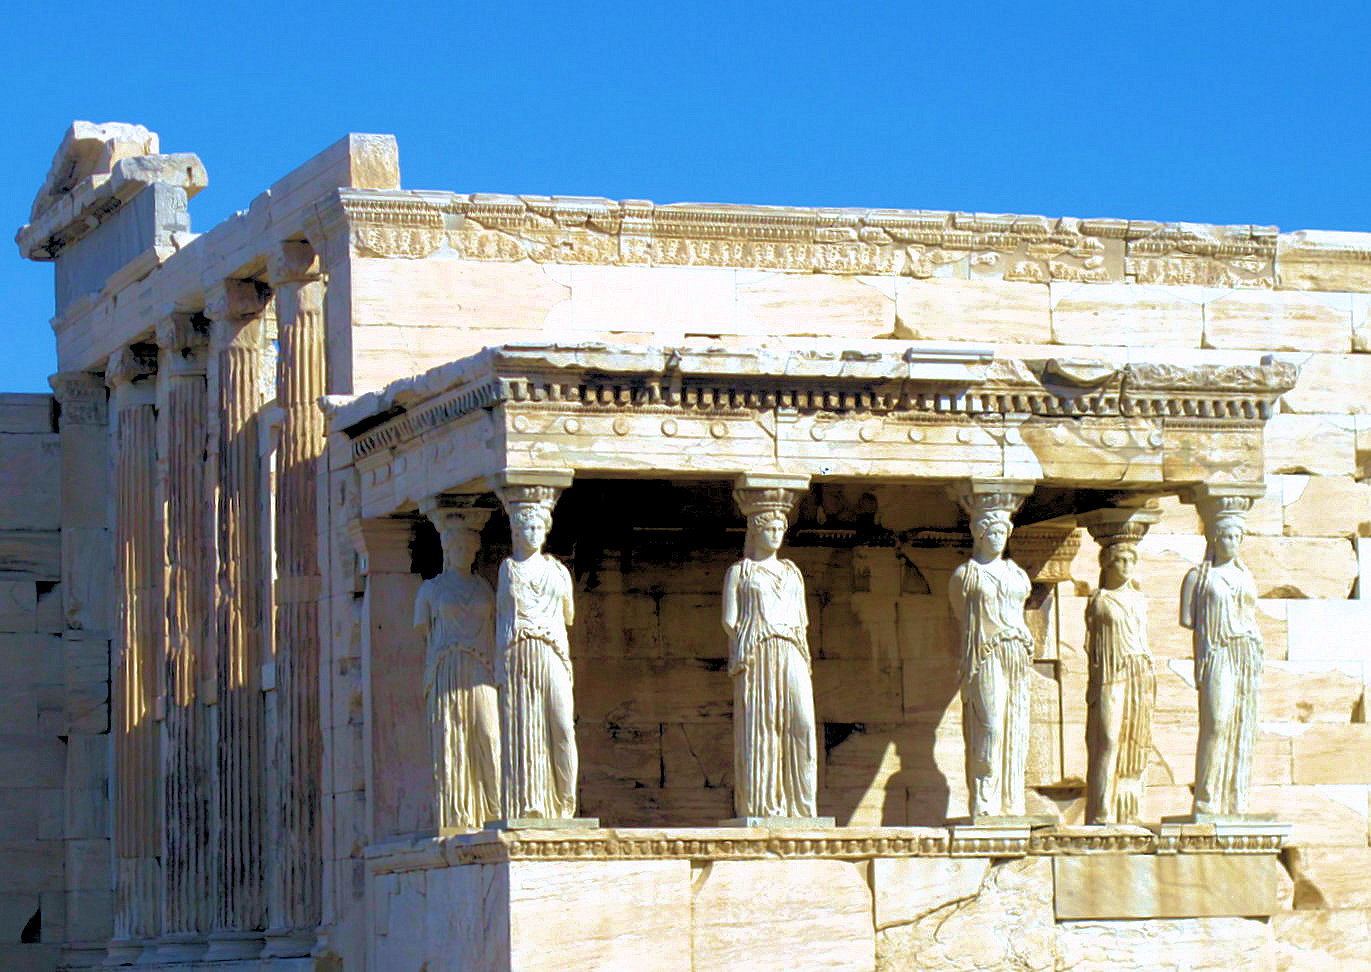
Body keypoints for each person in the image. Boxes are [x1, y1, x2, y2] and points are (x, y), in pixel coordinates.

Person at [722, 508, 817, 818]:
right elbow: (729, 619)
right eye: (770, 528)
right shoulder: (740, 572)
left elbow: (802, 619)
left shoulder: (793, 572)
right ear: (755, 531)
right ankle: (764, 805)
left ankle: (801, 806)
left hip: (791, 648)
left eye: (781, 528)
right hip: (757, 651)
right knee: (763, 725)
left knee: (800, 720)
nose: (776, 534)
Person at [413, 517, 501, 830]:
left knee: (489, 735)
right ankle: (456, 816)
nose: (463, 551)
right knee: (452, 738)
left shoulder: (483, 588)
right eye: (456, 546)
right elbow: (424, 633)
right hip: (446, 668)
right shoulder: (430, 590)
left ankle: (495, 810)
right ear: (447, 550)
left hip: (482, 667)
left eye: (468, 546)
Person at [948, 508, 1033, 818]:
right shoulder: (965, 575)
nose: (999, 538)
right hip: (985, 652)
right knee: (991, 725)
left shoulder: (1017, 574)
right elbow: (961, 614)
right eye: (993, 532)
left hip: (1017, 651)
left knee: (1015, 725)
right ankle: (985, 800)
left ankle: (1011, 802)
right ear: (980, 535)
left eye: (1003, 532)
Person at [496, 501, 578, 819]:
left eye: (538, 528)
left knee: (562, 726)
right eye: (526, 527)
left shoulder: (558, 571)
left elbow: (568, 615)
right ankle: (532, 803)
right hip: (519, 652)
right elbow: (503, 621)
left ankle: (566, 804)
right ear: (516, 531)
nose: (532, 533)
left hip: (553, 651)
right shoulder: (508, 569)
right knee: (525, 726)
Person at [1180, 509, 1261, 816]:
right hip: (1216, 653)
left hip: (1246, 653)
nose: (1231, 542)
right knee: (1216, 721)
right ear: (1214, 538)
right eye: (1226, 536)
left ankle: (1233, 798)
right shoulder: (1198, 578)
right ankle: (1205, 794)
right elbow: (1188, 619)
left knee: (1241, 723)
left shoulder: (1246, 575)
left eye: (1236, 537)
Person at [1084, 542, 1153, 824]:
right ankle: (1102, 808)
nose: (1126, 566)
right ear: (1107, 565)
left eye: (1130, 560)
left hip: (1139, 669)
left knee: (1135, 738)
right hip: (1110, 674)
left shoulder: (1139, 599)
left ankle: (1127, 808)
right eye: (1120, 560)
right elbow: (1090, 645)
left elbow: (1142, 636)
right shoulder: (1099, 600)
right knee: (1109, 737)